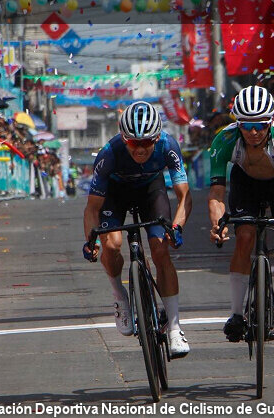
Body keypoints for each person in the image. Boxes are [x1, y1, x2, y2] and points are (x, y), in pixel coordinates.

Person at [83, 101, 192, 359]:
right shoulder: (109, 153)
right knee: (111, 245)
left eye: (147, 142)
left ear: (157, 138)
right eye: (133, 143)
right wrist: (91, 241)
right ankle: (119, 294)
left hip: (151, 190)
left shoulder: (168, 146)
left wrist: (177, 227)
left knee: (160, 250)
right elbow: (92, 208)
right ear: (124, 138)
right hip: (115, 193)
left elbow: (184, 196)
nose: (141, 149)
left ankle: (174, 328)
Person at [207, 86, 274, 341]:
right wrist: (218, 224)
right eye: (247, 125)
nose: (253, 132)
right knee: (245, 237)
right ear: (238, 123)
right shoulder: (224, 140)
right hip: (245, 184)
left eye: (260, 125)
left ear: (270, 122)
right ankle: (236, 314)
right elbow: (216, 194)